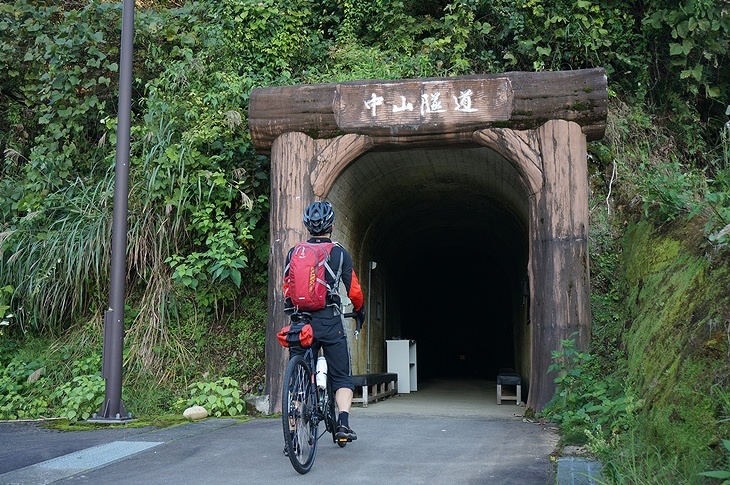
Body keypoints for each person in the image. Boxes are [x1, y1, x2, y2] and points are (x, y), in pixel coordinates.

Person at [283, 200, 366, 441]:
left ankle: (291, 433)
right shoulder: (339, 253)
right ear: (330, 225)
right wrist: (359, 311)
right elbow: (355, 292)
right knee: (341, 376)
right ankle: (342, 425)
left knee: (297, 383)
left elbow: (286, 288)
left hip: (301, 324)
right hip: (329, 323)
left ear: (308, 226)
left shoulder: (294, 252)